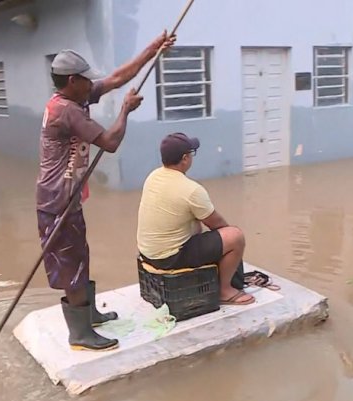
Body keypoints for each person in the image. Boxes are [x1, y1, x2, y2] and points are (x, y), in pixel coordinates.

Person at [37, 32, 176, 352]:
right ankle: (80, 334)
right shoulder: (66, 112)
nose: (92, 84)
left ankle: (91, 315)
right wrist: (126, 110)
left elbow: (115, 79)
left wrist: (152, 51)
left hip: (68, 195)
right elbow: (110, 143)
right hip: (56, 199)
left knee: (80, 254)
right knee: (70, 262)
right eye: (86, 80)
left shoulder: (74, 98)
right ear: (72, 81)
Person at [136, 133, 256, 306]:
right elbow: (218, 224)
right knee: (235, 237)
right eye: (191, 153)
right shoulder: (191, 190)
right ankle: (225, 291)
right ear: (185, 159)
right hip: (169, 258)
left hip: (147, 254)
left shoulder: (153, 176)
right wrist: (228, 246)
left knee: (196, 224)